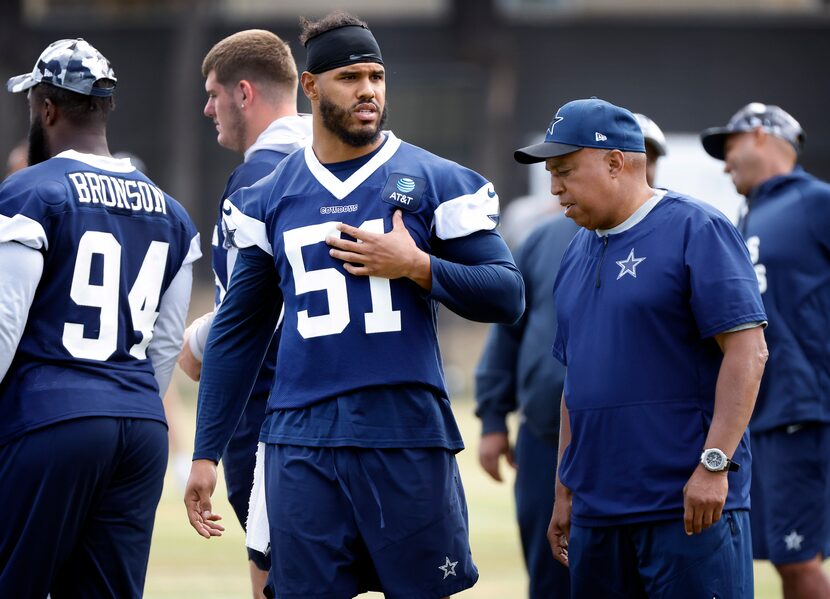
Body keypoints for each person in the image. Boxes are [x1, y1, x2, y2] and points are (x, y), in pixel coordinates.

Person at [184, 11, 525, 599]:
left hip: (404, 431)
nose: (368, 90)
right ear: (311, 88)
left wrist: (417, 265)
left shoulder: (434, 178)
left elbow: (506, 293)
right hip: (300, 437)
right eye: (350, 77)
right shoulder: (269, 194)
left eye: (376, 75)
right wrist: (204, 453)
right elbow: (238, 334)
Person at [513, 97, 768, 598]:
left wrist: (714, 466)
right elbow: (576, 383)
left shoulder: (698, 228)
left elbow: (749, 352)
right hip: (598, 514)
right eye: (550, 173)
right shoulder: (574, 252)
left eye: (564, 169)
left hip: (686, 508)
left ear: (615, 162)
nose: (554, 186)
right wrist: (565, 490)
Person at [0, 38, 200, 597]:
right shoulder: (174, 213)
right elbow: (162, 348)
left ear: (46, 108)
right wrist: (122, 398)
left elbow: (3, 324)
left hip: (49, 419)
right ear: (106, 107)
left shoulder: (28, 193)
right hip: (139, 430)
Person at [475, 112, 667, 599]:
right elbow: (509, 332)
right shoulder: (546, 238)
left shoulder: (683, 231)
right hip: (545, 436)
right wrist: (494, 416)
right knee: (552, 573)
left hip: (643, 445)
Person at [177, 29, 312, 598]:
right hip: (337, 405)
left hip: (272, 409)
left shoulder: (258, 179)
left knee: (277, 579)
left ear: (245, 93)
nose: (207, 108)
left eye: (213, 94)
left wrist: (200, 342)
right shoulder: (337, 163)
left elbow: (257, 313)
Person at [701, 102, 830, 599]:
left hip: (805, 410)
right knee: (784, 558)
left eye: (729, 147)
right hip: (765, 413)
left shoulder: (815, 202)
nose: (725, 162)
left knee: (797, 561)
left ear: (759, 135)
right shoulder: (749, 214)